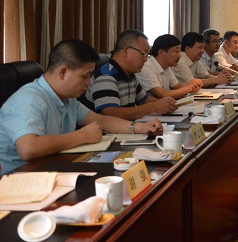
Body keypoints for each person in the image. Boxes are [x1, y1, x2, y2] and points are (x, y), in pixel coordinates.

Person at [0, 40, 163, 175]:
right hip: (19, 181)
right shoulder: (29, 100)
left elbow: (101, 120)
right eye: (85, 76)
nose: (89, 82)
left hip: (52, 170)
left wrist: (139, 127)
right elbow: (28, 149)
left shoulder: (68, 99)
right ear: (63, 72)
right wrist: (81, 136)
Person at [82, 29, 177, 119]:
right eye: (143, 53)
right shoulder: (106, 76)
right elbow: (112, 113)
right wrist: (153, 107)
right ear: (126, 51)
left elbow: (144, 100)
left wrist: (166, 103)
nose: (145, 59)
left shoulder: (130, 75)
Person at [136, 34, 203, 99]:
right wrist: (189, 87)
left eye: (180, 51)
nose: (180, 55)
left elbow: (177, 86)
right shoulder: (146, 67)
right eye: (176, 51)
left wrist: (193, 88)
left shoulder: (166, 66)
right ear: (161, 53)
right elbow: (162, 95)